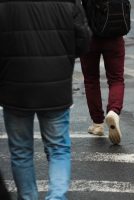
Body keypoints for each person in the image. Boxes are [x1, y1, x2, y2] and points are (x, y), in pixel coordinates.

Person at [0, 0, 91, 199]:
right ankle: (57, 197)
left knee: (21, 151)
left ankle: (28, 197)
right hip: (55, 85)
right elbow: (83, 40)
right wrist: (62, 57)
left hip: (14, 87)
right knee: (58, 147)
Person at [81, 0, 126, 145]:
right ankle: (113, 111)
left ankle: (97, 123)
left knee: (91, 79)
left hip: (90, 35)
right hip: (115, 34)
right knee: (116, 79)